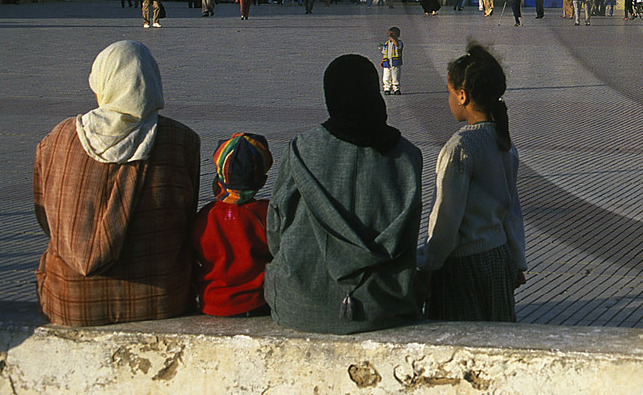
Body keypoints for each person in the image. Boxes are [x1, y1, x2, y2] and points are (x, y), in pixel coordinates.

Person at [33, 40, 200, 325]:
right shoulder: (182, 140)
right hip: (161, 301)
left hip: (70, 304)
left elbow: (45, 216)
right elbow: (185, 219)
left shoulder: (58, 139)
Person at [264, 54, 423, 333]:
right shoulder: (408, 156)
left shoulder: (302, 149)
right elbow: (407, 234)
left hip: (299, 304)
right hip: (385, 306)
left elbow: (276, 227)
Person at [420, 45, 527, 321]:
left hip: (463, 266)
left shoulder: (460, 147)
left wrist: (430, 264)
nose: (449, 99)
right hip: (498, 258)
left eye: (449, 92)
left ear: (462, 95)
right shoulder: (505, 142)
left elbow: (446, 217)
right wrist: (517, 261)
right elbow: (512, 211)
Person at [192, 133, 274, 317]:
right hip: (255, 302)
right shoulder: (266, 214)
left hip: (212, 303)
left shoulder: (205, 215)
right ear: (262, 181)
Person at [379, 26, 404, 95]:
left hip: (395, 62)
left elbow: (397, 45)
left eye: (393, 34)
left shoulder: (399, 42)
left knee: (395, 76)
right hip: (387, 62)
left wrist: (392, 38)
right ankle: (387, 88)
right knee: (386, 76)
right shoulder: (387, 43)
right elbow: (384, 53)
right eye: (390, 34)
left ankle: (396, 88)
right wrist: (382, 61)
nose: (391, 36)